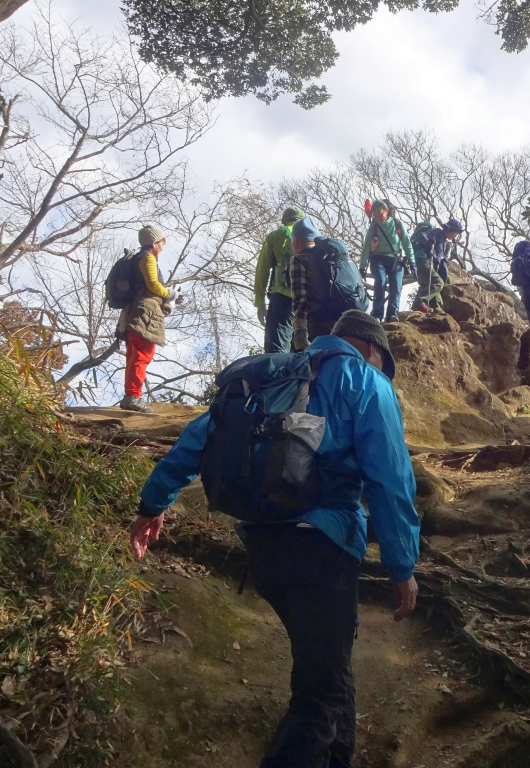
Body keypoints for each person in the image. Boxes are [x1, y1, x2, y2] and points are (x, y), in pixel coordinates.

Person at [127, 309, 420, 768]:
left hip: (263, 547)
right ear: (370, 349)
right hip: (322, 548)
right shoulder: (364, 381)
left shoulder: (271, 377)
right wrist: (402, 568)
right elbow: (391, 480)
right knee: (319, 695)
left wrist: (152, 505)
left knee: (328, 673)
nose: (381, 372)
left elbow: (196, 440)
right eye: (382, 363)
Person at [117, 224, 179, 413]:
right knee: (142, 355)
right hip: (145, 314)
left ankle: (131, 395)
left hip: (133, 312)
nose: (162, 248)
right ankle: (133, 397)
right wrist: (169, 294)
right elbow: (153, 284)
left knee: (134, 356)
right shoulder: (147, 258)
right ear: (154, 243)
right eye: (161, 244)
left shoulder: (137, 258)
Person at [289, 216, 368, 349]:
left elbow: (300, 299)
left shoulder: (299, 259)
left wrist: (300, 332)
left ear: (296, 241)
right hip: (353, 320)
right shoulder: (334, 256)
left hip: (321, 323)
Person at [254, 206, 304, 353]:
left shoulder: (276, 236)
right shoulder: (311, 237)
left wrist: (260, 302)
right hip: (307, 302)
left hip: (281, 297)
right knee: (302, 352)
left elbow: (262, 270)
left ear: (284, 221)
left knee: (276, 352)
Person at [358, 200, 414, 322]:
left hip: (396, 260)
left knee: (396, 286)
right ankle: (377, 315)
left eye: (380, 214)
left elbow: (406, 244)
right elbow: (366, 247)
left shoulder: (398, 224)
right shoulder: (373, 227)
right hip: (378, 259)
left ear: (387, 211)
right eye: (375, 215)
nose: (378, 217)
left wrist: (412, 261)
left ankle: (392, 315)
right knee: (380, 282)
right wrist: (362, 267)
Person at [411, 219, 464, 313]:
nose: (455, 236)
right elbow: (422, 236)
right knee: (438, 283)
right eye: (455, 233)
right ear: (449, 229)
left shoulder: (444, 240)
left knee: (431, 286)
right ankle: (419, 302)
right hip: (423, 260)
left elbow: (440, 256)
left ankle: (437, 309)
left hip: (431, 265)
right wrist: (428, 241)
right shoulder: (437, 232)